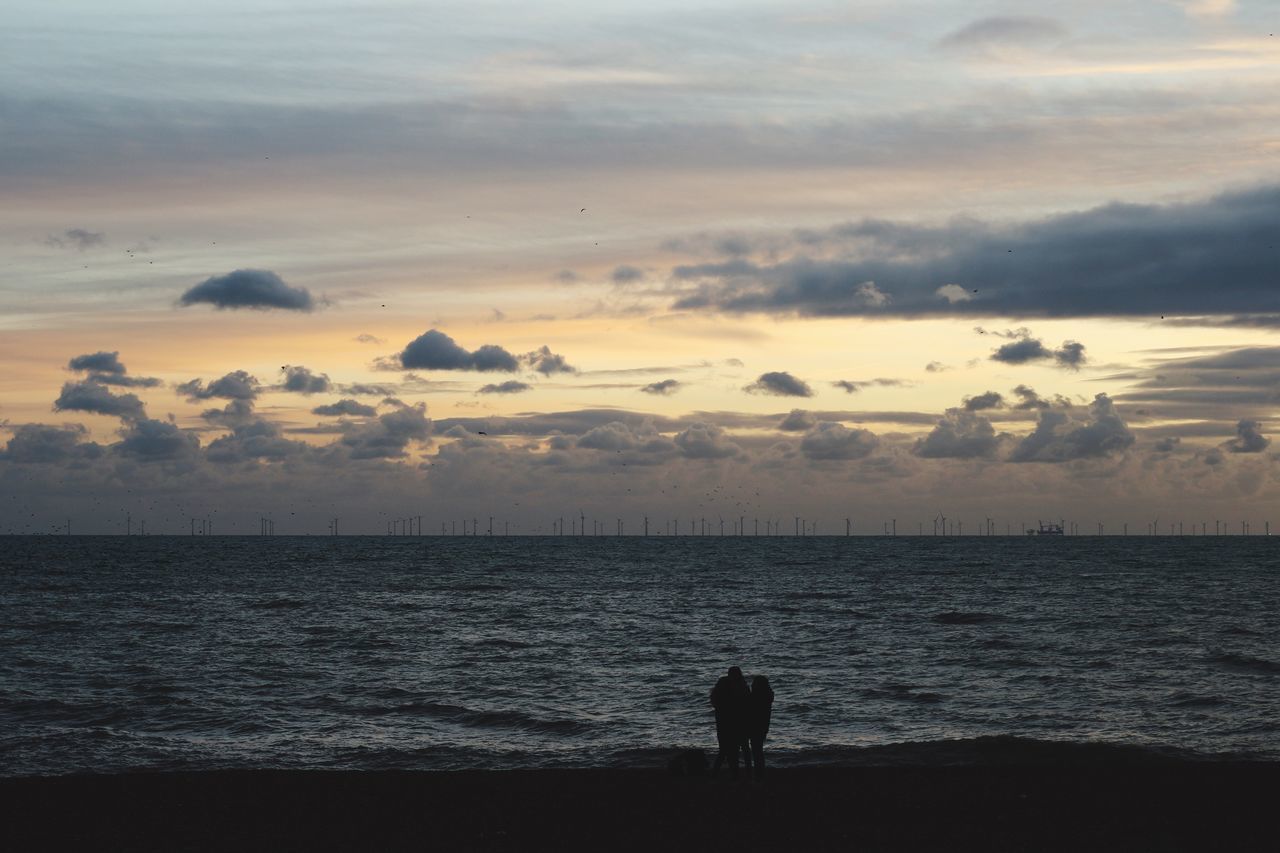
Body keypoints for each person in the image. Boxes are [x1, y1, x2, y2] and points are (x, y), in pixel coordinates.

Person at [709, 666, 752, 778]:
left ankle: (723, 774)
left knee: (726, 751)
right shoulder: (741, 688)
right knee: (742, 749)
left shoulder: (721, 693)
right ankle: (746, 774)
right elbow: (747, 706)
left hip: (724, 725)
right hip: (739, 724)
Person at [747, 674, 774, 778]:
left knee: (756, 751)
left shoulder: (756, 697)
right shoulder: (767, 696)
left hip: (755, 726)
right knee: (758, 750)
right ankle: (759, 773)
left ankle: (758, 775)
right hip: (764, 726)